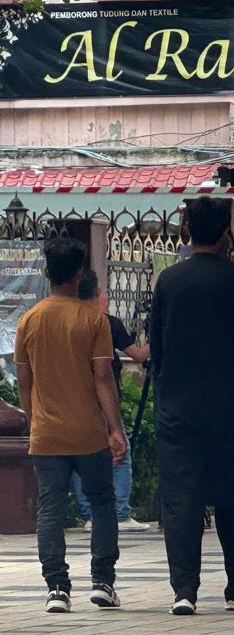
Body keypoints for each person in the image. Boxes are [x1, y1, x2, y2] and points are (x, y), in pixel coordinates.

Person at [150, 196, 234, 615]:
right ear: (224, 234)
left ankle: (184, 591)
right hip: (228, 406)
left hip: (177, 406)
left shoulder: (169, 281)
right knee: (232, 494)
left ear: (186, 231)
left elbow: (157, 349)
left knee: (181, 498)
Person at [15, 237, 127, 613]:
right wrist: (115, 429)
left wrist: (34, 424)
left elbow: (25, 383)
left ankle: (57, 589)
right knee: (101, 503)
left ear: (47, 272)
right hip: (89, 433)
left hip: (46, 435)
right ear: (79, 274)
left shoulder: (28, 321)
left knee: (50, 509)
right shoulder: (93, 320)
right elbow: (103, 378)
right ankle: (102, 581)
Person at [71, 269, 151, 533]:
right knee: (120, 452)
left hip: (72, 400)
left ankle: (87, 514)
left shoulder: (62, 322)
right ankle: (119, 512)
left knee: (79, 454)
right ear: (98, 293)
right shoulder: (107, 323)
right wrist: (157, 337)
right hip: (103, 400)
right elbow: (138, 355)